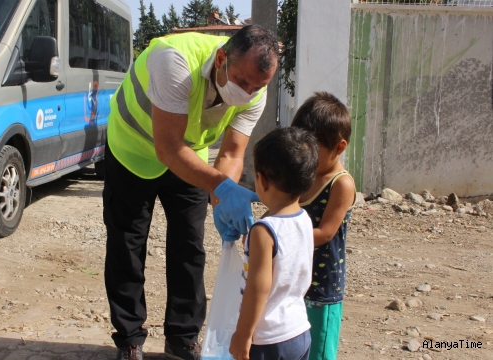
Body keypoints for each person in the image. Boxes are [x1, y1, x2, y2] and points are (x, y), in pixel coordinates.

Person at [102, 25, 279, 360]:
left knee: (189, 245)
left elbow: (230, 154)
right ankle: (129, 340)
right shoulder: (174, 60)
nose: (249, 92)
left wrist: (222, 197)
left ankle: (182, 339)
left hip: (189, 154)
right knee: (127, 242)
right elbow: (167, 148)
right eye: (242, 82)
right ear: (222, 59)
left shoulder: (256, 89)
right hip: (133, 147)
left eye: (258, 86)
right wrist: (219, 185)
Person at [229, 127, 318, 360]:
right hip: (298, 331)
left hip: (267, 339)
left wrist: (243, 334)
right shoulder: (304, 219)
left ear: (262, 180)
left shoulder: (264, 232)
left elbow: (258, 287)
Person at [291, 92, 355, 360]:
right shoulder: (303, 173)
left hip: (322, 287)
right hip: (295, 282)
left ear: (339, 147)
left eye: (313, 150)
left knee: (318, 351)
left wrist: (280, 238)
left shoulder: (341, 183)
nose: (304, 156)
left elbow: (325, 233)